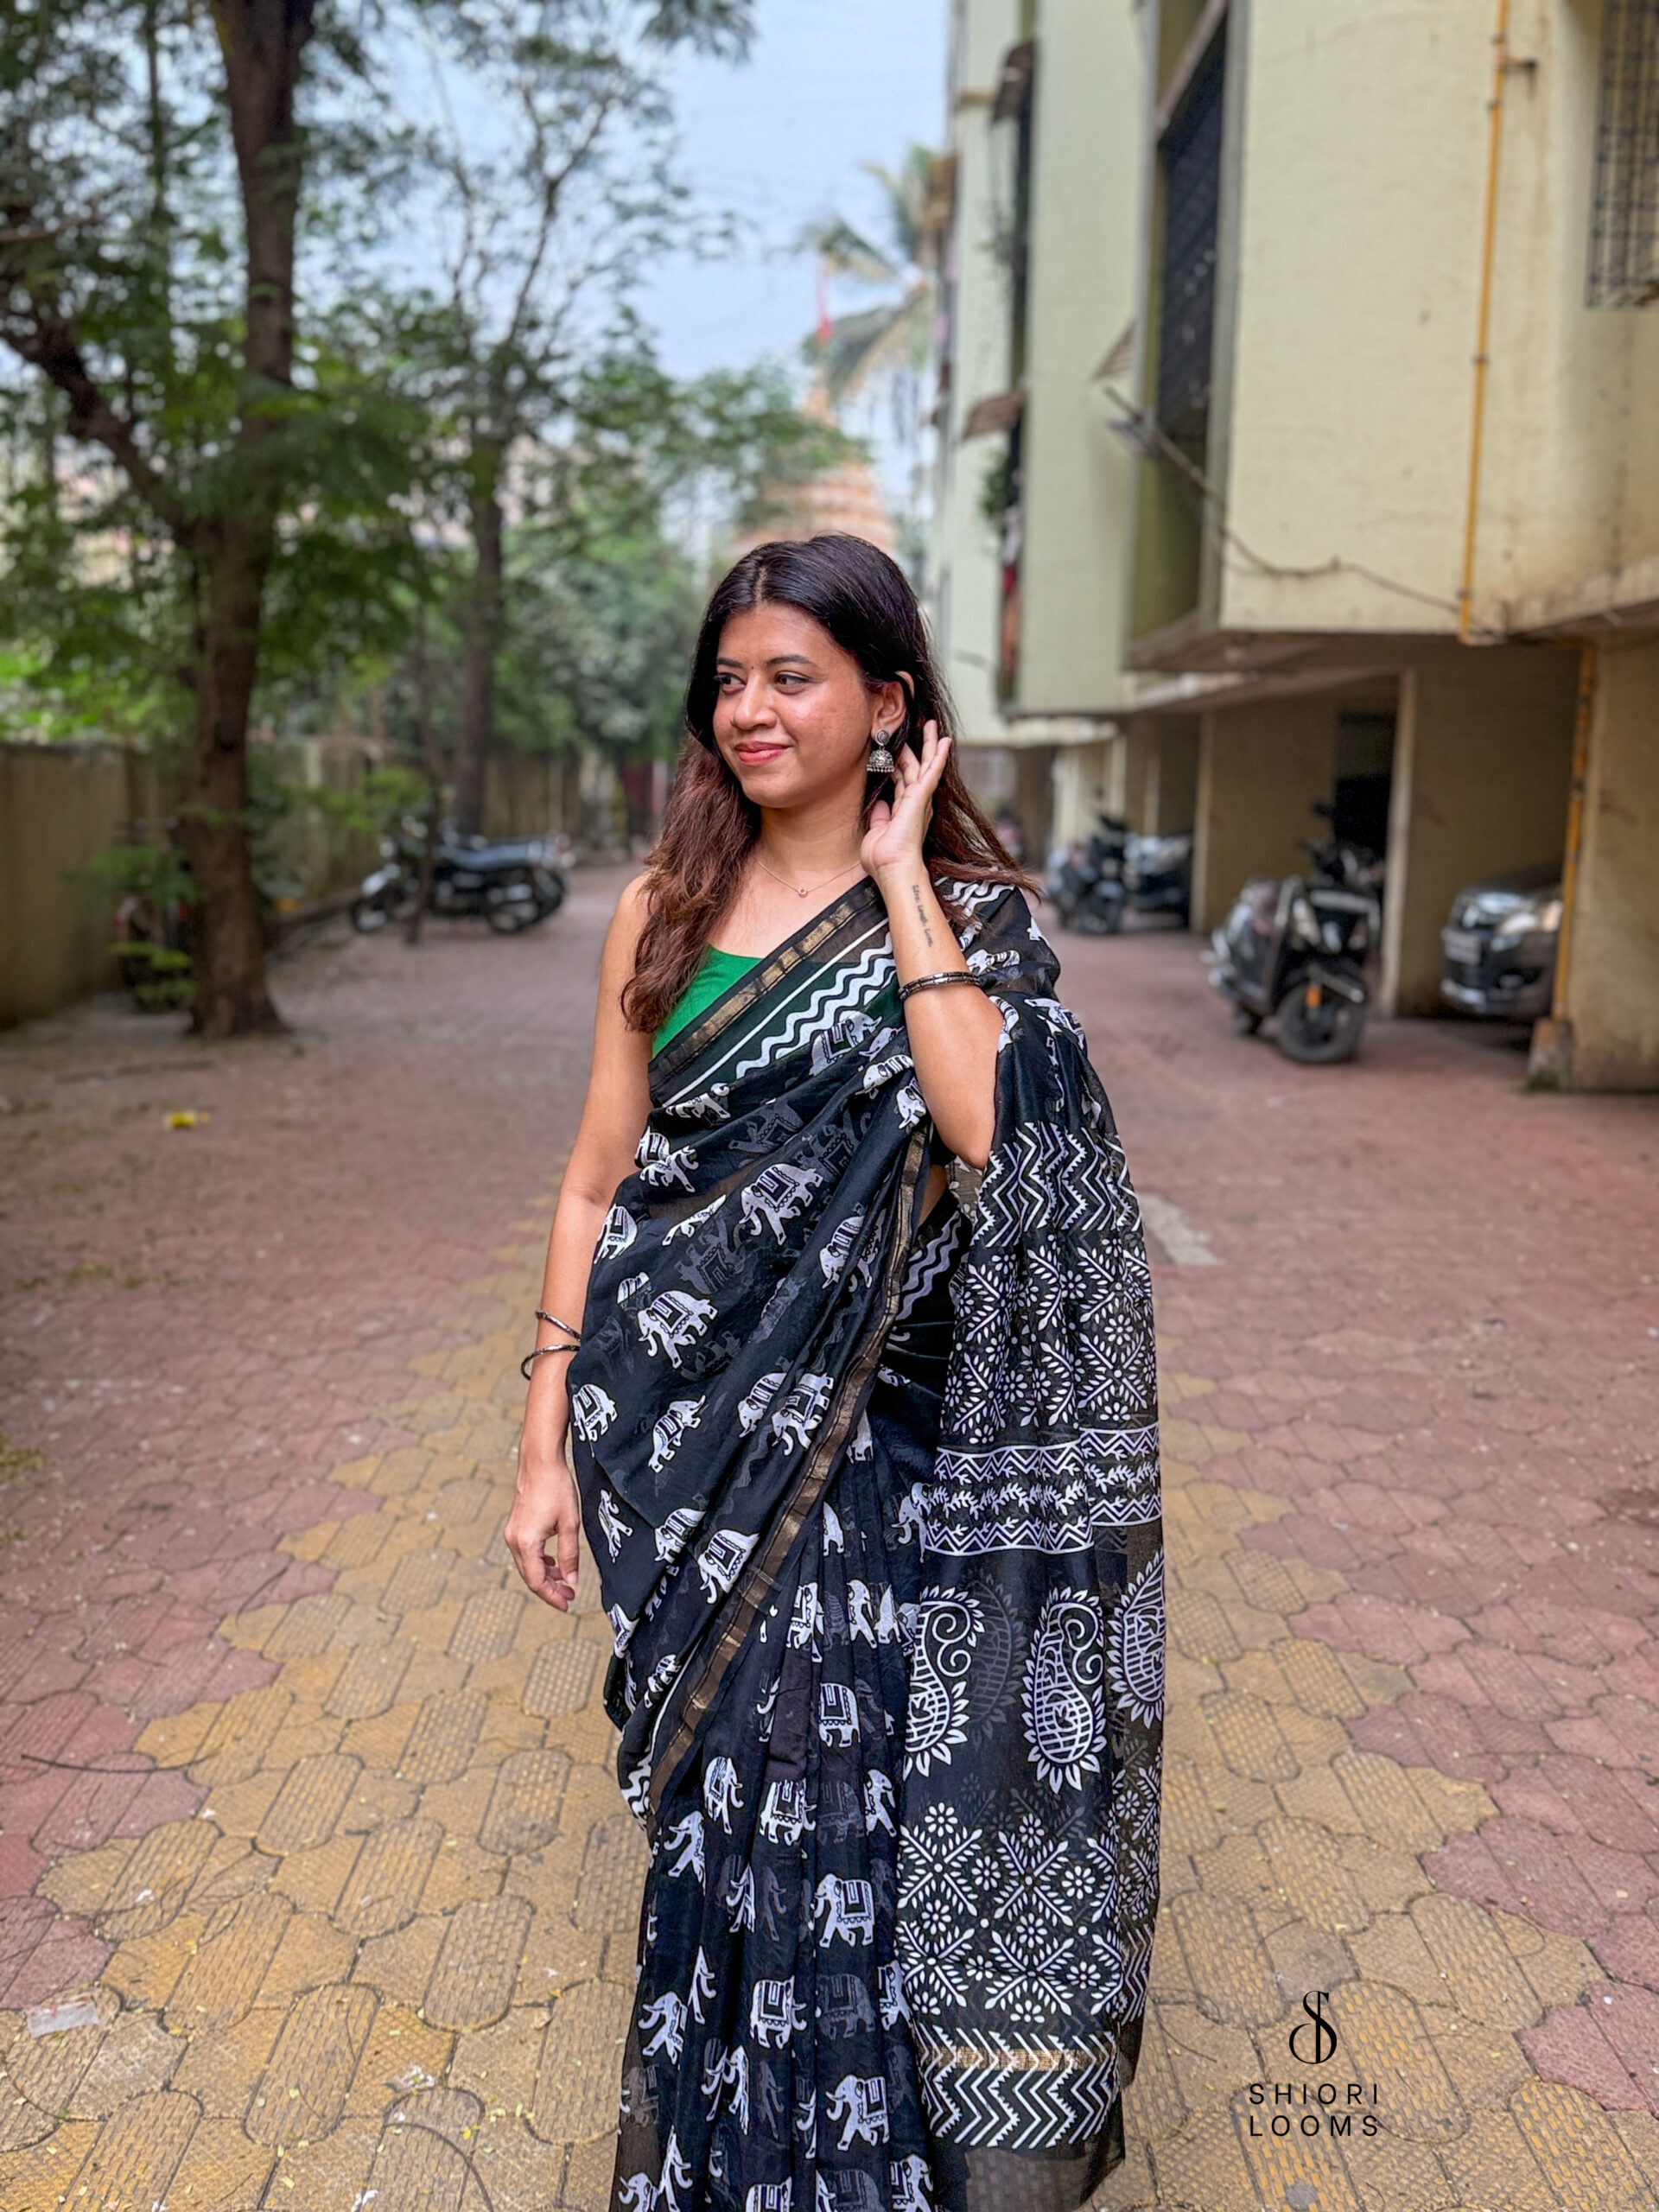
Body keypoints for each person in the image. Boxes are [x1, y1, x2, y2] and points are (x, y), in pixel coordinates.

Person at [505, 534, 1163, 2212]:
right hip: (682, 1463)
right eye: (728, 678)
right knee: (725, 1820)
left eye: (790, 675)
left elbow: (991, 1130)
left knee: (847, 1813)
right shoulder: (659, 913)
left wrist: (899, 882)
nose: (748, 708)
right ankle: (724, 2148)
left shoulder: (981, 922)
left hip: (890, 1461)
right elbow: (597, 1179)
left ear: (890, 704)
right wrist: (538, 1445)